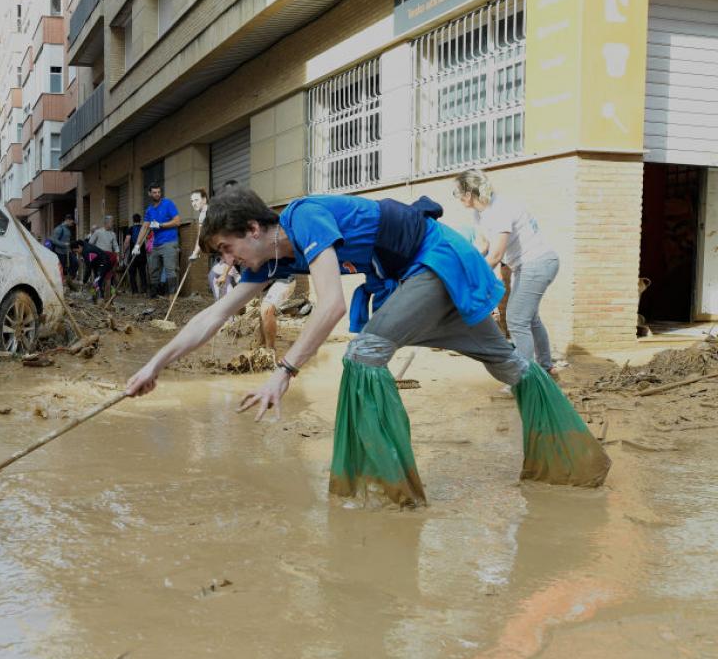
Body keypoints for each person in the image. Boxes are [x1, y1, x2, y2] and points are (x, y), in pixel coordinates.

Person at [124, 187, 609, 508]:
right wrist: (153, 366)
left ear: (253, 229)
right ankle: (575, 464)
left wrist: (285, 371)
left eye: (227, 249)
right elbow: (213, 315)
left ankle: (387, 492)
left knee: (365, 351)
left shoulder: (304, 218)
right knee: (509, 364)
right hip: (413, 273)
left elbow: (332, 305)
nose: (228, 262)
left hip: (435, 258)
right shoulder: (268, 262)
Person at [456, 169, 561, 376]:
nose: (457, 198)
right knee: (530, 319)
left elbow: (495, 255)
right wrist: (465, 267)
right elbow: (483, 244)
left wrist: (472, 277)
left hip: (537, 263)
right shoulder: (480, 212)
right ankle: (546, 368)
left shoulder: (499, 210)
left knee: (516, 319)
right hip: (525, 266)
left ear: (468, 194)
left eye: (457, 193)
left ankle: (523, 377)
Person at [143, 184, 182, 297]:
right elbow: (144, 227)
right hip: (156, 244)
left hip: (169, 242)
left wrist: (160, 225)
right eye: (154, 192)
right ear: (149, 194)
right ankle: (154, 297)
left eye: (159, 192)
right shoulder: (149, 210)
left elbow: (177, 221)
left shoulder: (168, 204)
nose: (157, 194)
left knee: (170, 270)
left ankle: (172, 296)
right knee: (153, 270)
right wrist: (137, 245)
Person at [88, 216, 121, 297]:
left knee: (109, 278)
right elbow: (90, 243)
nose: (113, 224)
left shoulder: (113, 234)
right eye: (112, 222)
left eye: (113, 222)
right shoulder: (98, 232)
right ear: (106, 222)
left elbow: (116, 246)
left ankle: (107, 297)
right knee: (98, 278)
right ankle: (95, 295)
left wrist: (117, 255)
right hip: (99, 258)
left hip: (109, 258)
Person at [124, 213, 150, 296]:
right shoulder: (144, 228)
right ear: (140, 220)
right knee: (142, 273)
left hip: (133, 254)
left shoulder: (130, 229)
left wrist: (124, 251)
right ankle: (144, 291)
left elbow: (127, 241)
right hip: (142, 254)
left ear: (133, 220)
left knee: (132, 273)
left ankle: (135, 292)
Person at [50, 215, 75, 283]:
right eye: (71, 222)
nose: (72, 224)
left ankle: (70, 279)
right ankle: (61, 282)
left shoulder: (67, 229)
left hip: (67, 251)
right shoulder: (59, 229)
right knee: (61, 268)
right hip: (59, 252)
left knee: (75, 263)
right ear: (67, 220)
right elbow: (53, 240)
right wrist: (63, 244)